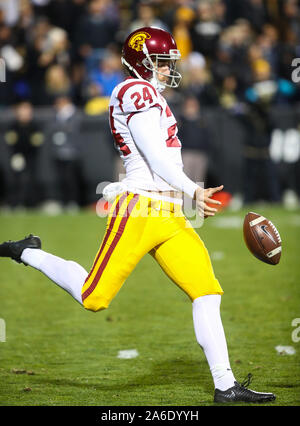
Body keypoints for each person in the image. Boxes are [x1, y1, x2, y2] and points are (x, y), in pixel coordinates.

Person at [0, 26, 275, 404]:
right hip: (140, 208)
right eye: (161, 63)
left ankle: (225, 385)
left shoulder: (151, 94)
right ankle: (26, 251)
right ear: (141, 62)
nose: (167, 70)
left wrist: (185, 197)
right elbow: (156, 156)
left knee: (207, 292)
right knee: (93, 297)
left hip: (169, 214)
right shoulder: (135, 90)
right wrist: (193, 189)